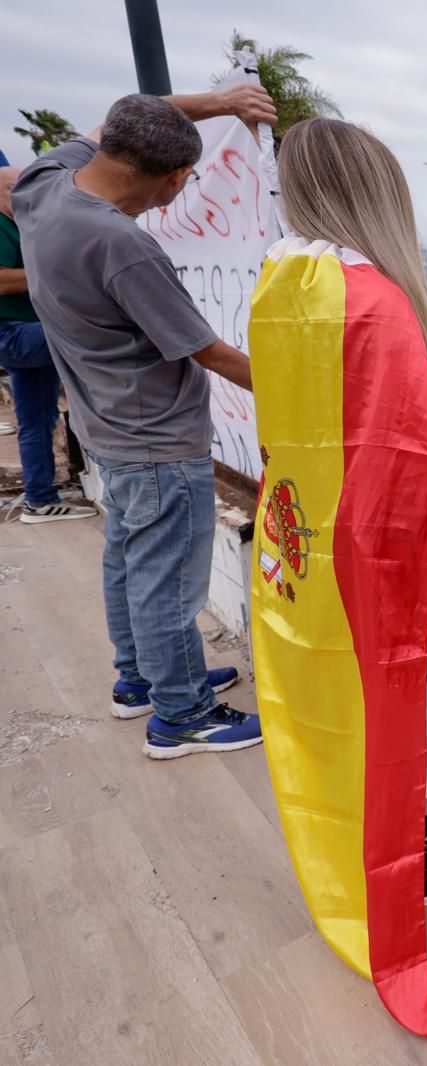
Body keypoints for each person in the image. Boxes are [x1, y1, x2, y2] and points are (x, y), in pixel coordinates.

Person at [253, 116, 427, 900]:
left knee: (336, 703)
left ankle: (355, 837)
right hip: (380, 554)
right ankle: (396, 856)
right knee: (385, 707)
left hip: (309, 541)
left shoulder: (286, 285)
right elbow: (410, 457)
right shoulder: (377, 302)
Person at [14, 90, 273, 753]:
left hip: (107, 428)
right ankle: (181, 715)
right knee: (168, 584)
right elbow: (207, 350)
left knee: (131, 560)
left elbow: (130, 109)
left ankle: (142, 678)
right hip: (156, 439)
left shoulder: (45, 183)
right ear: (165, 177)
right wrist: (308, 388)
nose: (182, 191)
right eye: (182, 179)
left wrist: (224, 102)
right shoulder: (118, 243)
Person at [0, 166, 96, 522]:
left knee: (37, 419)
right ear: (9, 189)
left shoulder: (21, 222)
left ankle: (39, 500)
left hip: (24, 332)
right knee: (97, 337)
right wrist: (52, 272)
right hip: (13, 334)